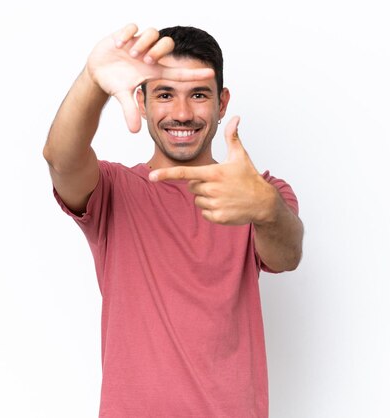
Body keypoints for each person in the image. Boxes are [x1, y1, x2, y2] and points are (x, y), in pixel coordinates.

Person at [43, 23, 304, 418]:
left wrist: (265, 208)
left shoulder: (258, 193)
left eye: (198, 95)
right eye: (165, 94)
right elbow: (61, 159)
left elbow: (287, 254)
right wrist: (92, 81)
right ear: (142, 101)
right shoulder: (115, 189)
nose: (182, 114)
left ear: (221, 103)